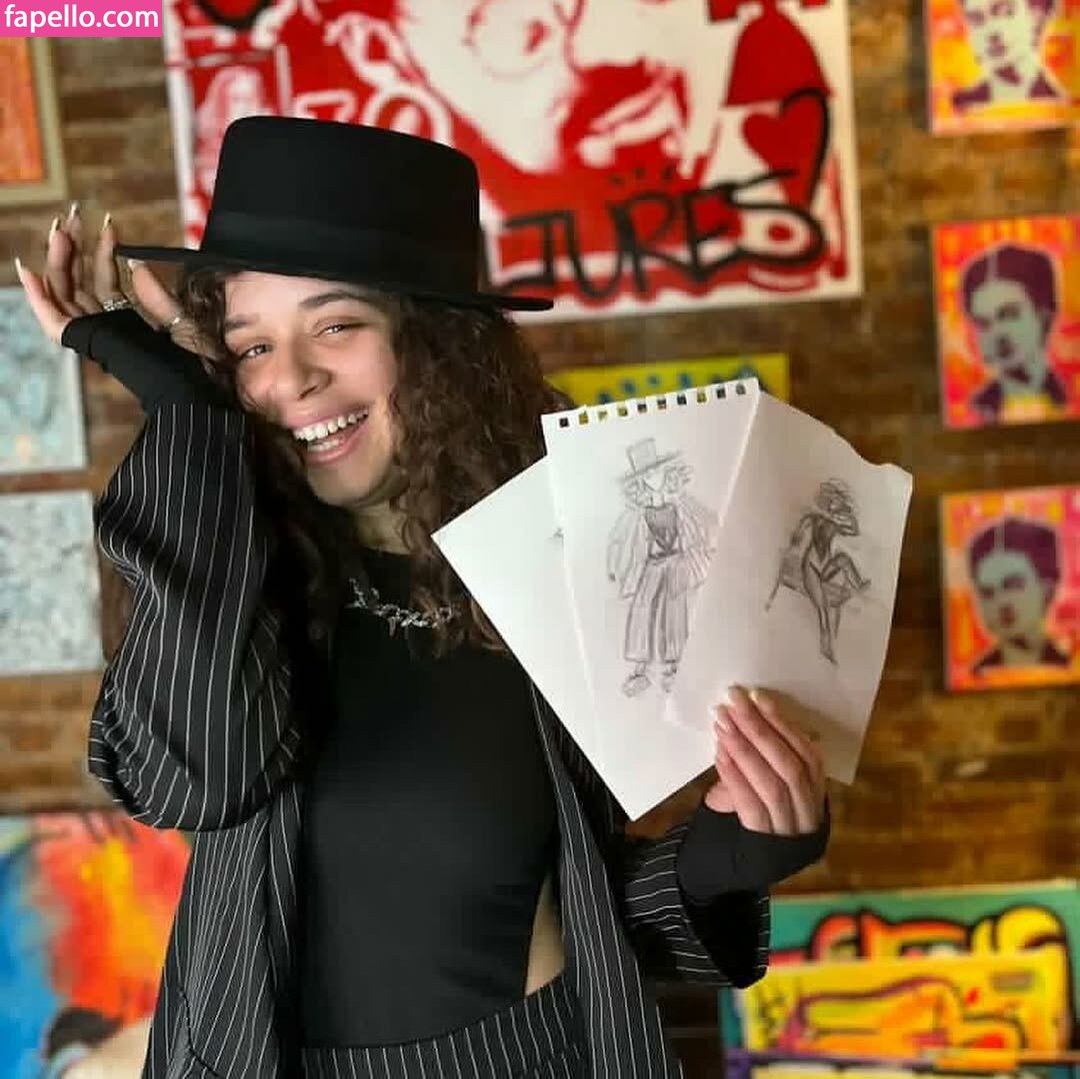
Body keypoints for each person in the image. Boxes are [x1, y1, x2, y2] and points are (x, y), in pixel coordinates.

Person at [16, 115, 830, 1077]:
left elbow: (580, 901)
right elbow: (193, 776)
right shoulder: (233, 578)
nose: (292, 379)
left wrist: (732, 852)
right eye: (251, 346)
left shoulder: (565, 566)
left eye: (337, 325)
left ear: (437, 343)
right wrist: (187, 409)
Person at [961, 244, 1067, 424]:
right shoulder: (976, 411)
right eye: (983, 323)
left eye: (1010, 314)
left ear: (1043, 314)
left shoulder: (1068, 397)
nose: (997, 334)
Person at [968, 516, 1070, 675]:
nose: (1002, 602)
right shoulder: (976, 676)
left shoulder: (1069, 668)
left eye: (1013, 585)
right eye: (987, 592)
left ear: (1046, 587)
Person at [951, 0, 1064, 111]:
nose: (991, 30)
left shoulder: (1058, 100)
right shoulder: (964, 105)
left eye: (1004, 11)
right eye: (976, 19)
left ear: (1036, 14)